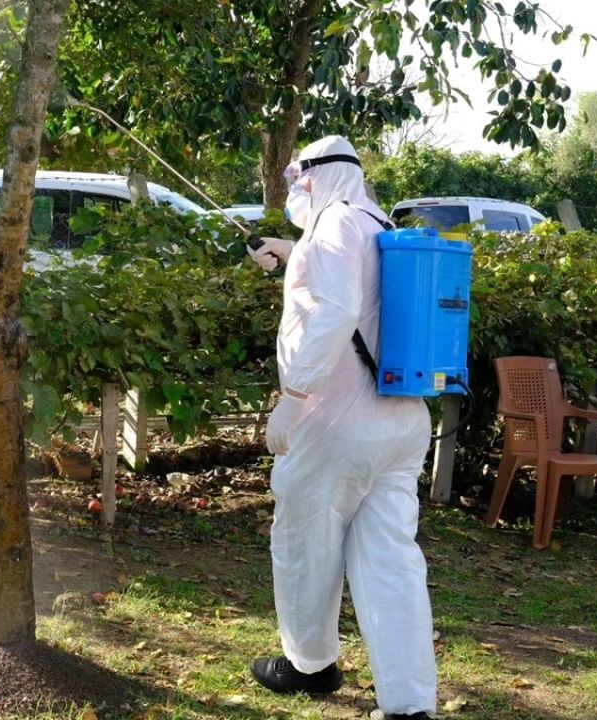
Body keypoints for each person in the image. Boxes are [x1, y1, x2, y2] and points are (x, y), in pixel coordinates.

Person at [245, 135, 437, 720]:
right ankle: (409, 707)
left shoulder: (331, 226)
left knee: (305, 544)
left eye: (296, 175)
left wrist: (293, 397)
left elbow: (337, 310)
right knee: (391, 562)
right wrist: (290, 251)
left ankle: (309, 665)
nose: (292, 186)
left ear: (316, 174)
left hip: (336, 423)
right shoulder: (376, 221)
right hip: (402, 421)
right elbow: (354, 286)